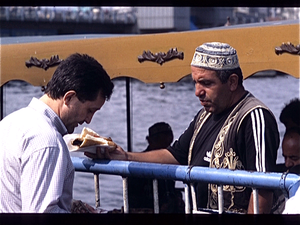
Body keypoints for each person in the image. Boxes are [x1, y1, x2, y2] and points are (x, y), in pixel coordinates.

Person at [88, 42, 279, 214]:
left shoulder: (254, 117)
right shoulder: (205, 115)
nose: (197, 92)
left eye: (206, 83)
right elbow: (176, 154)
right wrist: (124, 156)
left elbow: (261, 188)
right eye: (195, 82)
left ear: (232, 82)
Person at [0, 53, 114, 213]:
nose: (89, 120)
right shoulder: (47, 140)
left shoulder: (9, 123)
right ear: (69, 97)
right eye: (90, 110)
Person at [127, 122, 184, 213]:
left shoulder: (170, 161)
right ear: (150, 140)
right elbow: (134, 199)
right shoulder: (138, 166)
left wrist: (176, 199)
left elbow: (170, 189)